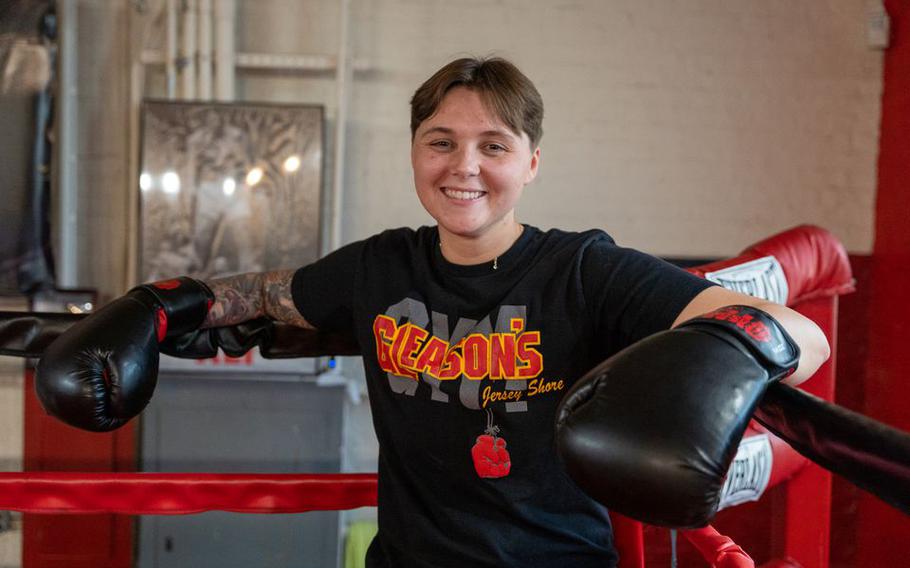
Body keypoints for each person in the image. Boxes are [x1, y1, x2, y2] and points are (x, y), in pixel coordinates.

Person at [37, 57, 830, 567]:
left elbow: (805, 334)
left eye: (493, 145)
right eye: (441, 141)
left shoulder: (585, 270)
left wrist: (713, 367)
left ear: (531, 162)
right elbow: (262, 294)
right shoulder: (382, 266)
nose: (465, 168)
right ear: (415, 151)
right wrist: (159, 305)